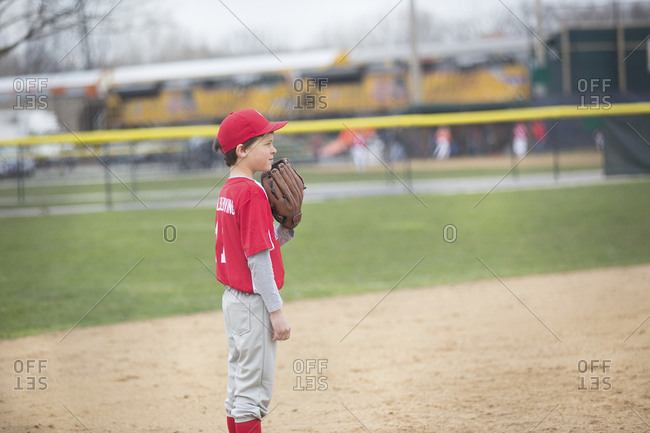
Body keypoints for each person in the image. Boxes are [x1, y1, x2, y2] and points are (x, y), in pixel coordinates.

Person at [212, 109, 294, 433]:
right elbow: (259, 261)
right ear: (242, 150)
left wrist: (285, 229)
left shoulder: (229, 190)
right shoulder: (252, 193)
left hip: (233, 304)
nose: (273, 150)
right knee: (252, 398)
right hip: (254, 303)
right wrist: (276, 311)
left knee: (237, 389)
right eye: (267, 142)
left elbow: (252, 247)